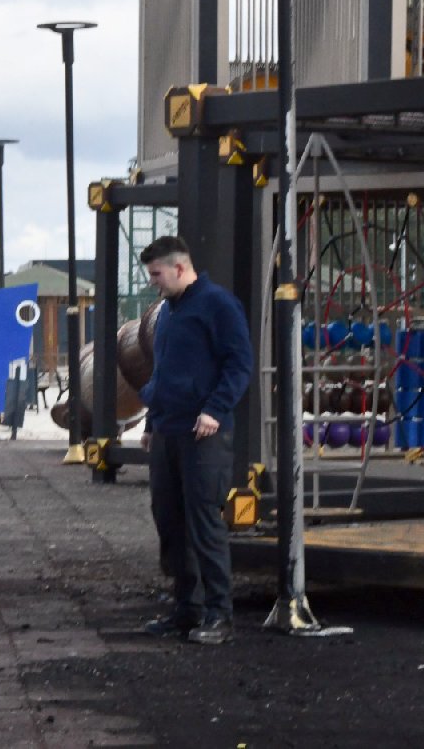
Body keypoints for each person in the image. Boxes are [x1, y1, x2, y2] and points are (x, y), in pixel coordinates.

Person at [138, 236, 253, 645]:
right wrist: (152, 422)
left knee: (204, 522)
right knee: (169, 520)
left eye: (156, 275)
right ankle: (185, 610)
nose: (153, 283)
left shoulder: (218, 305)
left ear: (180, 268)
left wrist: (215, 410)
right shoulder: (168, 312)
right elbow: (163, 371)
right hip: (168, 431)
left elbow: (239, 363)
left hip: (203, 435)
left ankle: (219, 614)